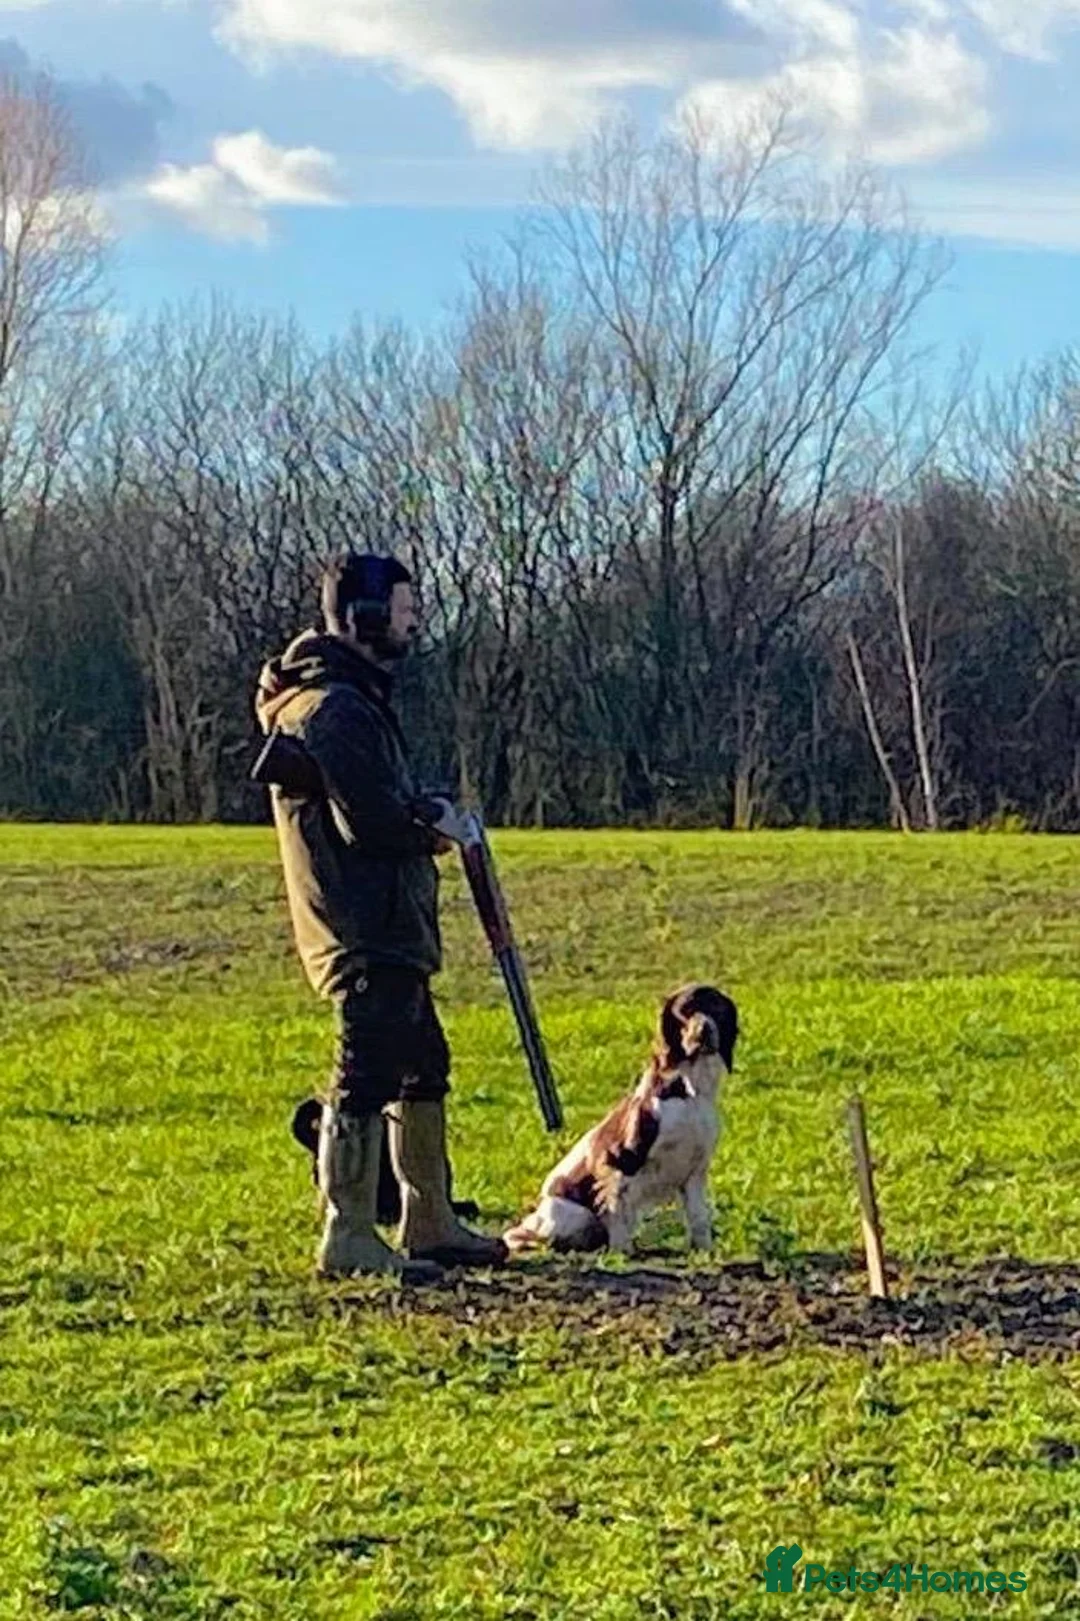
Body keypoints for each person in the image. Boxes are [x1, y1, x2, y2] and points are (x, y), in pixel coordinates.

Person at [253, 551, 506, 1277]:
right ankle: (350, 1233)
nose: (413, 622)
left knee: (423, 1062)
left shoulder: (347, 699)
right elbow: (369, 822)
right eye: (403, 609)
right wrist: (434, 828)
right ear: (363, 617)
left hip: (383, 919)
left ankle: (429, 1220)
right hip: (362, 922)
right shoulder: (334, 708)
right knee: (363, 1072)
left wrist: (422, 807)